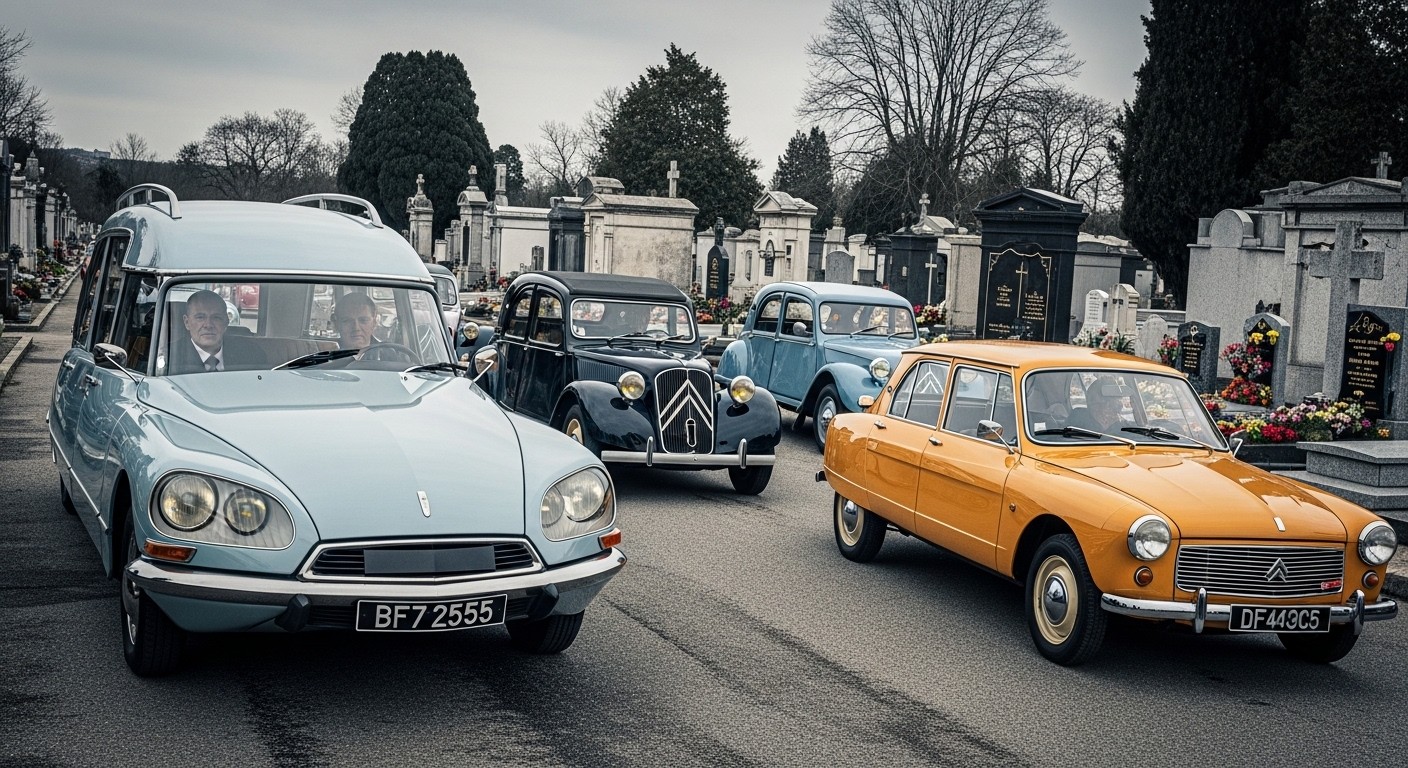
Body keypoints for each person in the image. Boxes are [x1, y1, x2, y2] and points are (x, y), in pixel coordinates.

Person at [169, 289, 259, 373]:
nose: (208, 325)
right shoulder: (170, 357)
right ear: (187, 322)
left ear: (226, 322)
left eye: (216, 318)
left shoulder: (250, 354)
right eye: (200, 317)